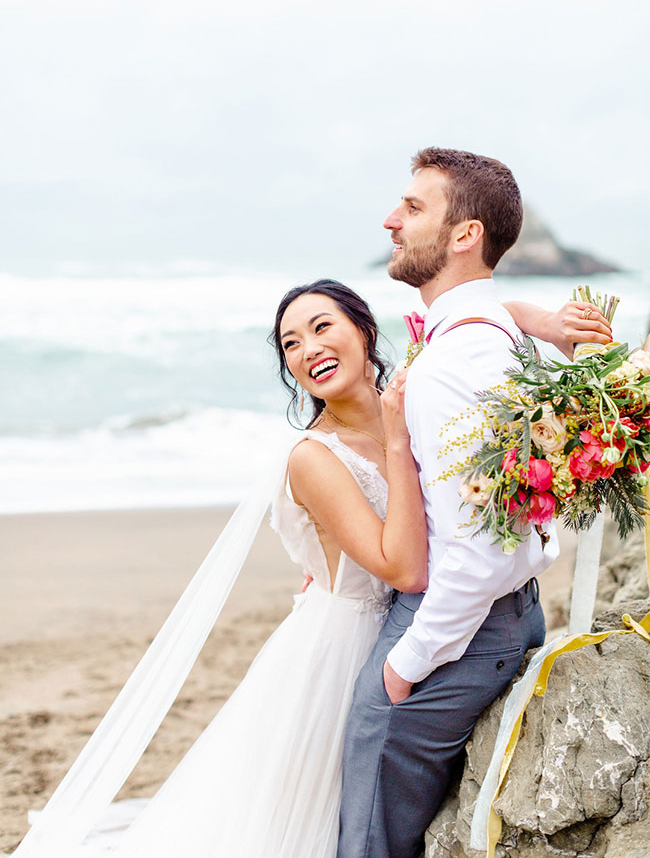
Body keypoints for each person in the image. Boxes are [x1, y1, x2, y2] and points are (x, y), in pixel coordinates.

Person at [17, 289, 609, 856]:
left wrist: (547, 324)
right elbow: (404, 568)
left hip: (416, 627)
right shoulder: (313, 457)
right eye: (290, 344)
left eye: (322, 327)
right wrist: (400, 446)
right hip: (344, 642)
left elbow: (483, 312)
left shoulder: (416, 380)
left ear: (367, 331)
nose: (307, 349)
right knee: (319, 814)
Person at [336, 147, 613, 858]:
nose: (391, 220)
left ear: (466, 235)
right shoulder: (484, 334)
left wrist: (410, 662)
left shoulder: (453, 368)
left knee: (371, 837)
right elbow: (487, 311)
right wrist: (537, 319)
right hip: (500, 614)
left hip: (460, 630)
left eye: (414, 207)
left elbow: (483, 548)